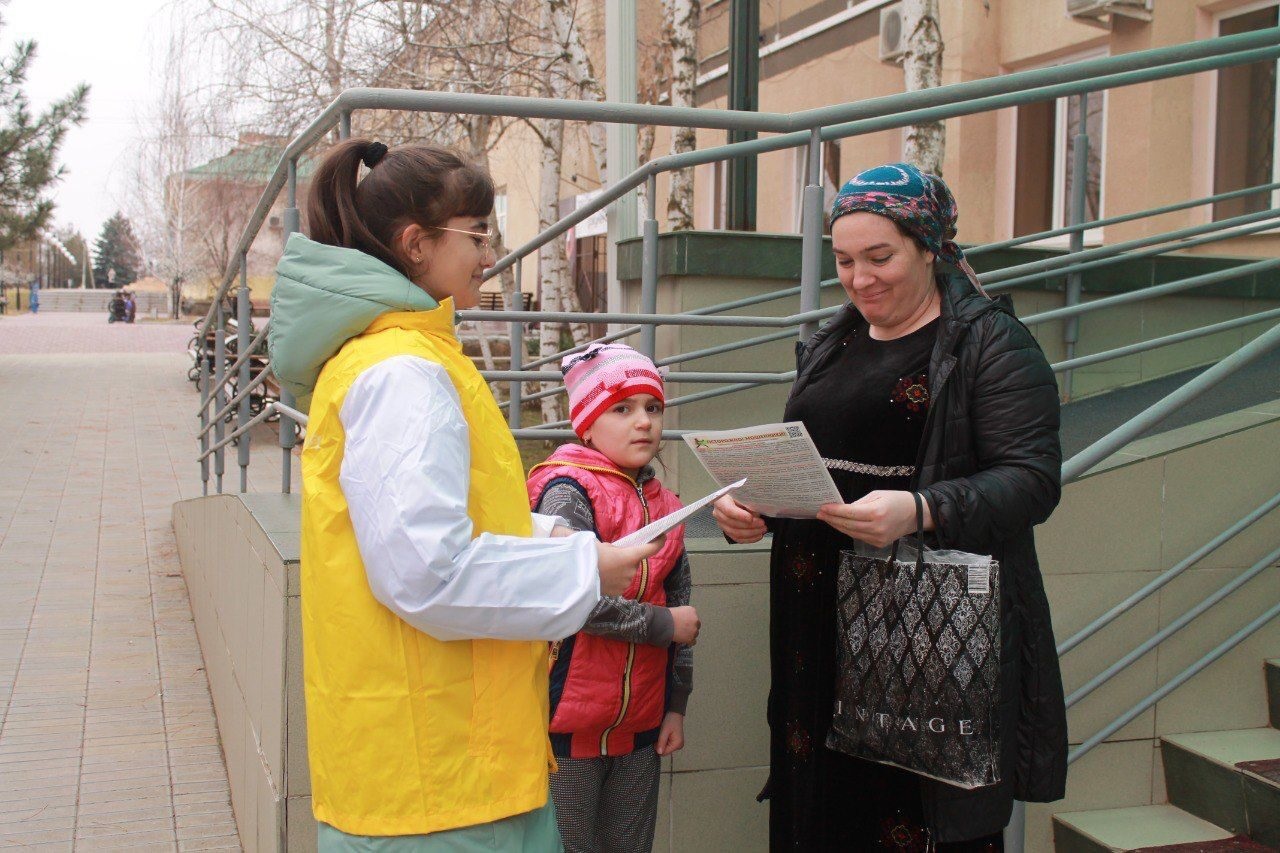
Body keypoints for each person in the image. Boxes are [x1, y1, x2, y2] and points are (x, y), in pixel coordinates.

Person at [267, 138, 661, 850]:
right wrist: (585, 568)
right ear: (415, 244)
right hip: (441, 788)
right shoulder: (403, 371)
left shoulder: (402, 357)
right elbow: (428, 570)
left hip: (445, 772)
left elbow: (437, 528)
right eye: (477, 234)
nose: (491, 253)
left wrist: (554, 539)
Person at [713, 163, 1068, 849]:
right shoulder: (830, 343)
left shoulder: (989, 344)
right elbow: (811, 465)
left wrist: (919, 509)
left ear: (929, 248)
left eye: (881, 257)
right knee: (820, 809)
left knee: (911, 814)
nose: (859, 278)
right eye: (845, 260)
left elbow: (1032, 481)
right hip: (815, 631)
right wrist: (750, 515)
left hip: (922, 635)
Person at [526, 343, 700, 853]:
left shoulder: (667, 504)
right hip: (564, 731)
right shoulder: (567, 492)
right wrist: (660, 625)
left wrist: (676, 706)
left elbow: (682, 606)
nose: (642, 422)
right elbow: (572, 594)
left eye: (653, 407)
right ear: (585, 423)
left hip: (641, 729)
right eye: (621, 409)